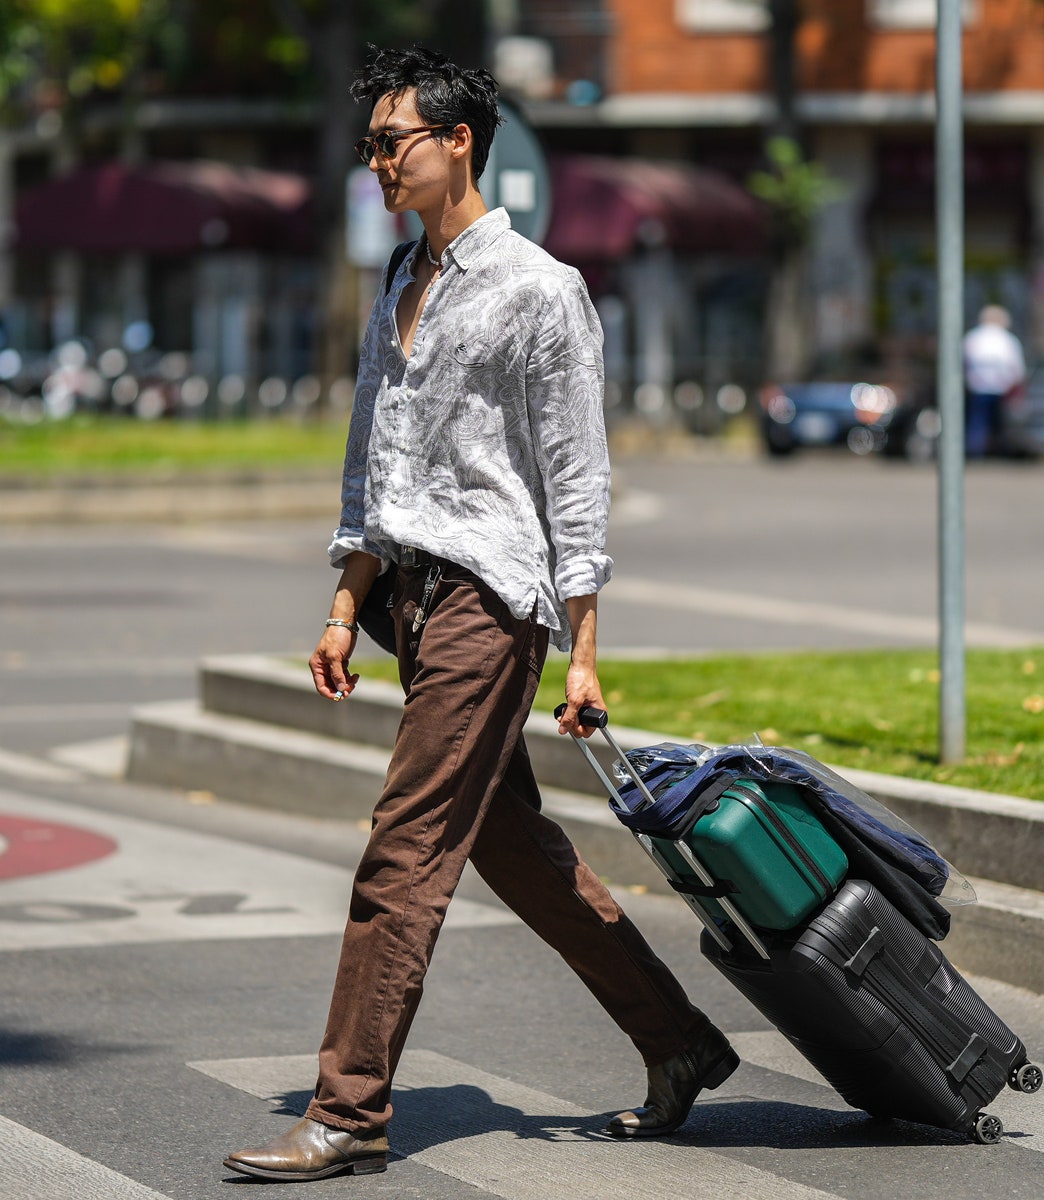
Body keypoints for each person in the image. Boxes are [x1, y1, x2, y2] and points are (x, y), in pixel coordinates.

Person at [223, 45, 737, 1184]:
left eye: (392, 143)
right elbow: (375, 469)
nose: (378, 165)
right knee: (510, 845)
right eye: (369, 148)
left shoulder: (542, 290)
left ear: (458, 142)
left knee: (405, 845)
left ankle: (349, 1110)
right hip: (412, 600)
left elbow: (576, 478)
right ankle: (681, 1042)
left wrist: (584, 650)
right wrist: (344, 604)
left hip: (492, 603)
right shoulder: (398, 285)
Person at [963, 304, 1025, 458]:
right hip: (1002, 388)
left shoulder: (973, 337)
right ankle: (999, 452)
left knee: (977, 422)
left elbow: (963, 362)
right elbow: (1016, 368)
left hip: (977, 387)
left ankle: (975, 452)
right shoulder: (1008, 339)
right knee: (1000, 424)